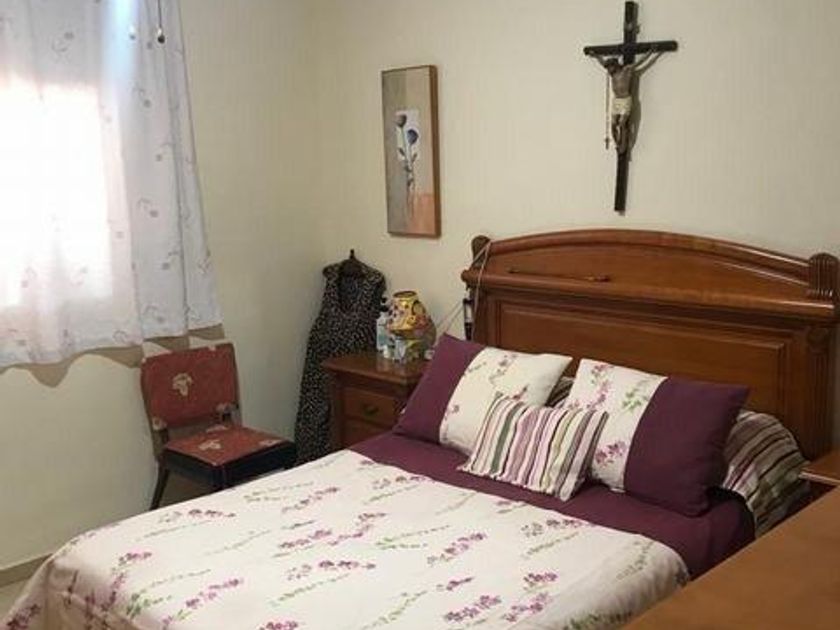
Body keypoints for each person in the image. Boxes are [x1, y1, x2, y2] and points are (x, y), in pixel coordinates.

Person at [591, 50, 658, 153]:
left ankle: (623, 145)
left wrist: (650, 52)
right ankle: (617, 144)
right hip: (616, 101)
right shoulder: (612, 75)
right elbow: (602, 63)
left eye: (610, 67)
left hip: (625, 100)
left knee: (622, 123)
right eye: (608, 68)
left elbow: (640, 62)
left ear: (615, 65)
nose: (608, 70)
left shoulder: (626, 70)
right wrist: (596, 55)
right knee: (613, 124)